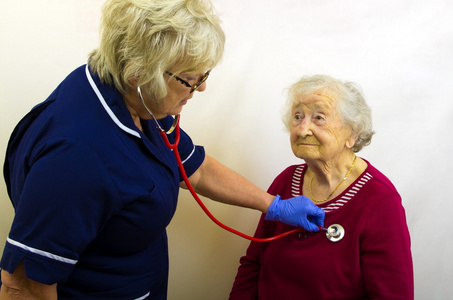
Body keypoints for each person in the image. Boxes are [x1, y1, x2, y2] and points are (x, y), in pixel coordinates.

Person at [0, 1, 325, 299]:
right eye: (190, 79)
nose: (201, 87)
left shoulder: (135, 99)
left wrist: (273, 206)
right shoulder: (76, 160)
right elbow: (22, 285)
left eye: (203, 75)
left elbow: (194, 167)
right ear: (138, 73)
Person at [229, 75, 413, 299]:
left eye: (319, 118)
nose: (303, 129)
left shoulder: (380, 200)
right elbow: (253, 264)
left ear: (352, 134)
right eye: (298, 116)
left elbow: (393, 294)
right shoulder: (286, 180)